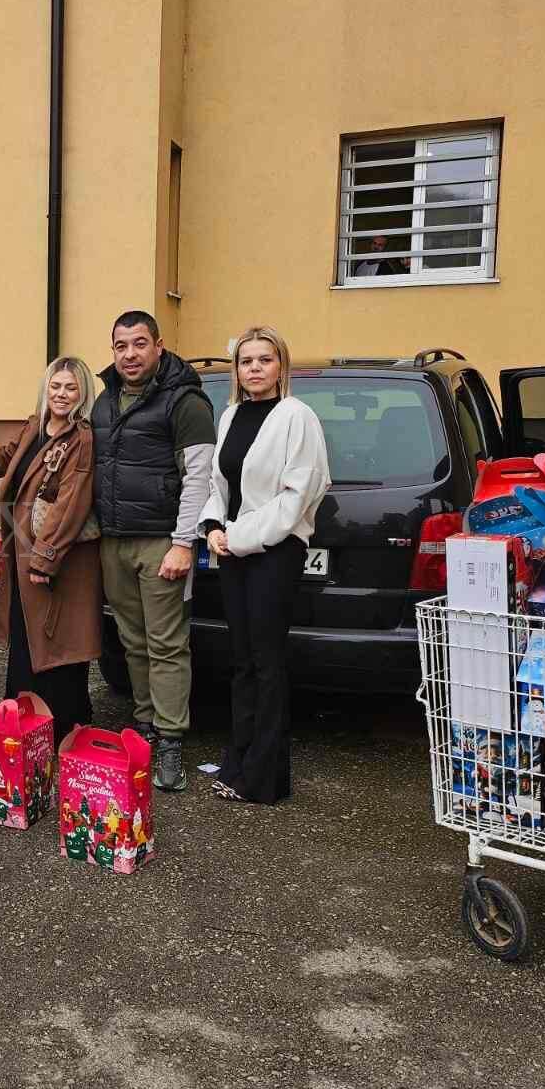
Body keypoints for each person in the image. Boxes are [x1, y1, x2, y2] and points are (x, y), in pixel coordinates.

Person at [200, 326, 330, 805]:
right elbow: (219, 484)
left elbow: (298, 497)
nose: (254, 368)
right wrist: (212, 526)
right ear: (236, 370)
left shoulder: (297, 417)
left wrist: (236, 537)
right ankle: (237, 763)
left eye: (264, 360)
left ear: (281, 366)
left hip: (275, 552)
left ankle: (264, 778)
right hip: (232, 549)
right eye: (245, 361)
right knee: (242, 662)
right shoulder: (231, 415)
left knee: (267, 663)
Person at [92, 310, 215, 793]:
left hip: (162, 542)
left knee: (166, 644)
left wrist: (184, 543)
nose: (130, 354)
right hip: (114, 541)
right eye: (121, 346)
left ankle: (169, 739)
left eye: (139, 344)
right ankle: (144, 723)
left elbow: (199, 477)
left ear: (159, 346)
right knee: (133, 641)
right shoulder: (104, 400)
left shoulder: (185, 401)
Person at [0, 356, 103, 744]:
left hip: (57, 561)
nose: (61, 394)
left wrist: (45, 558)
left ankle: (57, 731)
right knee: (28, 642)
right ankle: (25, 731)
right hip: (24, 554)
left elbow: (70, 503)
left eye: (71, 387)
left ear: (82, 393)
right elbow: (4, 458)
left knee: (56, 647)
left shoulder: (81, 438)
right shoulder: (34, 426)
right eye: (56, 386)